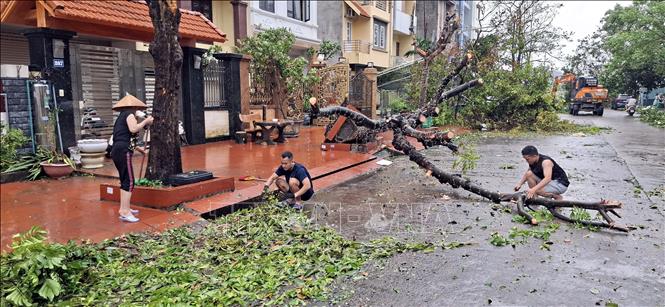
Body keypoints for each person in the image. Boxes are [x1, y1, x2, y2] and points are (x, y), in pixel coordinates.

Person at [110, 94, 153, 222]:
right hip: (123, 151)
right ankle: (125, 211)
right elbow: (133, 129)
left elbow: (126, 137)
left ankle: (125, 208)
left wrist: (140, 150)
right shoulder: (129, 114)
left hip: (118, 150)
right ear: (134, 106)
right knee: (129, 181)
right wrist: (146, 121)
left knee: (125, 180)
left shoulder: (122, 117)